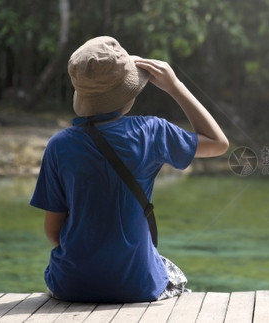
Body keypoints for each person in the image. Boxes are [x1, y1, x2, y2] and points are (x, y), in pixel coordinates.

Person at [29, 36, 229, 303]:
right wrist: (175, 87)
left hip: (71, 285)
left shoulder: (58, 145)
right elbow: (218, 143)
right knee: (171, 272)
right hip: (137, 286)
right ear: (129, 93)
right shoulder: (151, 131)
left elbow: (53, 233)